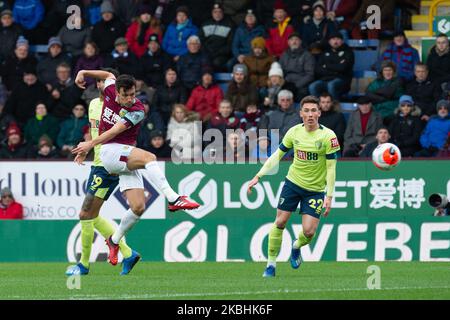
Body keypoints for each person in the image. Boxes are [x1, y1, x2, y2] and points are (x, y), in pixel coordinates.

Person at [71, 69, 200, 266]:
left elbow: (115, 130)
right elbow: (107, 75)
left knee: (138, 207)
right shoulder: (109, 88)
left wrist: (89, 145)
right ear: (117, 92)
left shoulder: (138, 110)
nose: (131, 99)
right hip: (108, 152)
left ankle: (114, 241)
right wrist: (83, 72)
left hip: (122, 153)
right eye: (127, 95)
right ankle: (174, 199)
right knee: (149, 157)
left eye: (133, 94)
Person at [247, 95, 340, 277]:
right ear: (301, 113)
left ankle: (296, 246)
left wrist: (329, 196)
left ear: (319, 113)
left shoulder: (328, 136)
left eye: (314, 110)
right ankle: (271, 265)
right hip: (293, 184)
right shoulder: (294, 132)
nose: (310, 114)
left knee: (309, 231)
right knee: (280, 221)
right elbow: (277, 156)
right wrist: (258, 175)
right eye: (306, 111)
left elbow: (331, 168)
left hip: (315, 191)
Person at [66, 71, 139, 276]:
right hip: (98, 161)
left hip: (109, 165)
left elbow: (117, 133)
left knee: (85, 213)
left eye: (102, 81)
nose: (99, 84)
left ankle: (84, 265)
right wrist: (86, 150)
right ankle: (127, 252)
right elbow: (95, 133)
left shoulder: (120, 107)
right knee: (92, 216)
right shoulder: (93, 105)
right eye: (97, 81)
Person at [309, 32, 354, 100]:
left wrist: (326, 65)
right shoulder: (325, 52)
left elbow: (343, 68)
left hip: (342, 80)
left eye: (338, 39)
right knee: (312, 86)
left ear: (342, 41)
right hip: (325, 79)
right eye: (333, 39)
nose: (335, 41)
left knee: (331, 85)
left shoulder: (348, 52)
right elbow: (318, 69)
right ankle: (319, 106)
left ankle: (334, 107)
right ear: (329, 41)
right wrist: (335, 70)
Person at [279, 32, 315, 101]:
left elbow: (310, 75)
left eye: (296, 40)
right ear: (288, 42)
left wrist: (296, 85)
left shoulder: (307, 55)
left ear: (300, 42)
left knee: (301, 93)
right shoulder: (284, 54)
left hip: (301, 83)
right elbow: (280, 71)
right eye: (292, 40)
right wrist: (283, 82)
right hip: (286, 82)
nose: (294, 42)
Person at [199, 2, 235, 72]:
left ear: (223, 13)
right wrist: (206, 51)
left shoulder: (230, 24)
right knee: (202, 61)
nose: (217, 14)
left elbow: (230, 44)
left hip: (222, 55)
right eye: (215, 12)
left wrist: (218, 52)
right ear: (212, 13)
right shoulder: (205, 23)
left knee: (217, 62)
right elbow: (200, 40)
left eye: (219, 12)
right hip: (207, 53)